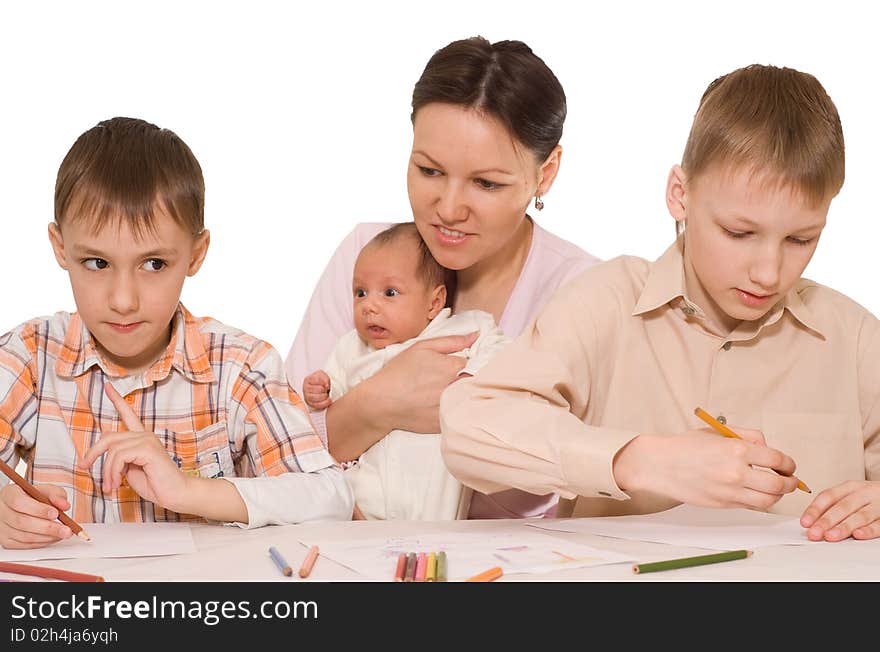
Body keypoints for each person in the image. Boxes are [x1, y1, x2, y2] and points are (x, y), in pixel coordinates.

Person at [441, 63, 880, 543]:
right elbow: (467, 425)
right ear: (680, 195)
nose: (769, 272)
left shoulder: (854, 337)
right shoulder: (607, 301)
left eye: (800, 239)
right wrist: (637, 459)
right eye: (739, 232)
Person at [0, 117, 353, 550]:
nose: (123, 300)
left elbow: (330, 496)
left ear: (196, 253)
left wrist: (189, 492)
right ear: (60, 248)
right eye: (96, 262)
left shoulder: (239, 366)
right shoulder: (30, 355)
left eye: (153, 264)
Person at [286, 36, 600, 519]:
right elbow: (280, 446)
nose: (449, 209)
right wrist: (380, 401)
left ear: (546, 173)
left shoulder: (578, 290)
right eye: (429, 171)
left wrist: (357, 423)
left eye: (487, 183)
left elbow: (562, 482)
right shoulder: (367, 256)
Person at [302, 222, 509, 520]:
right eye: (360, 292)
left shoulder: (466, 329)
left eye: (389, 292)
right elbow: (330, 393)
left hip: (434, 506)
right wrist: (321, 389)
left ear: (433, 302)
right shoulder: (351, 347)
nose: (369, 305)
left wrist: (469, 378)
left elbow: (503, 351)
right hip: (365, 504)